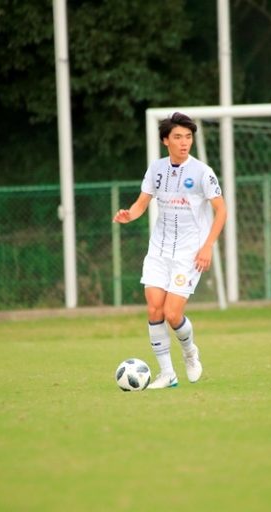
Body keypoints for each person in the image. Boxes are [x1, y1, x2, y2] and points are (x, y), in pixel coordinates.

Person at [113, 112, 227, 389]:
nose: (184, 142)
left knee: (172, 314)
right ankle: (167, 374)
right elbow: (142, 203)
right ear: (166, 140)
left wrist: (207, 246)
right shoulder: (156, 169)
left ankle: (190, 352)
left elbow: (221, 210)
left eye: (188, 137)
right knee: (154, 309)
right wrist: (130, 214)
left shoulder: (202, 172)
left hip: (189, 253)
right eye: (178, 137)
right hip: (159, 250)